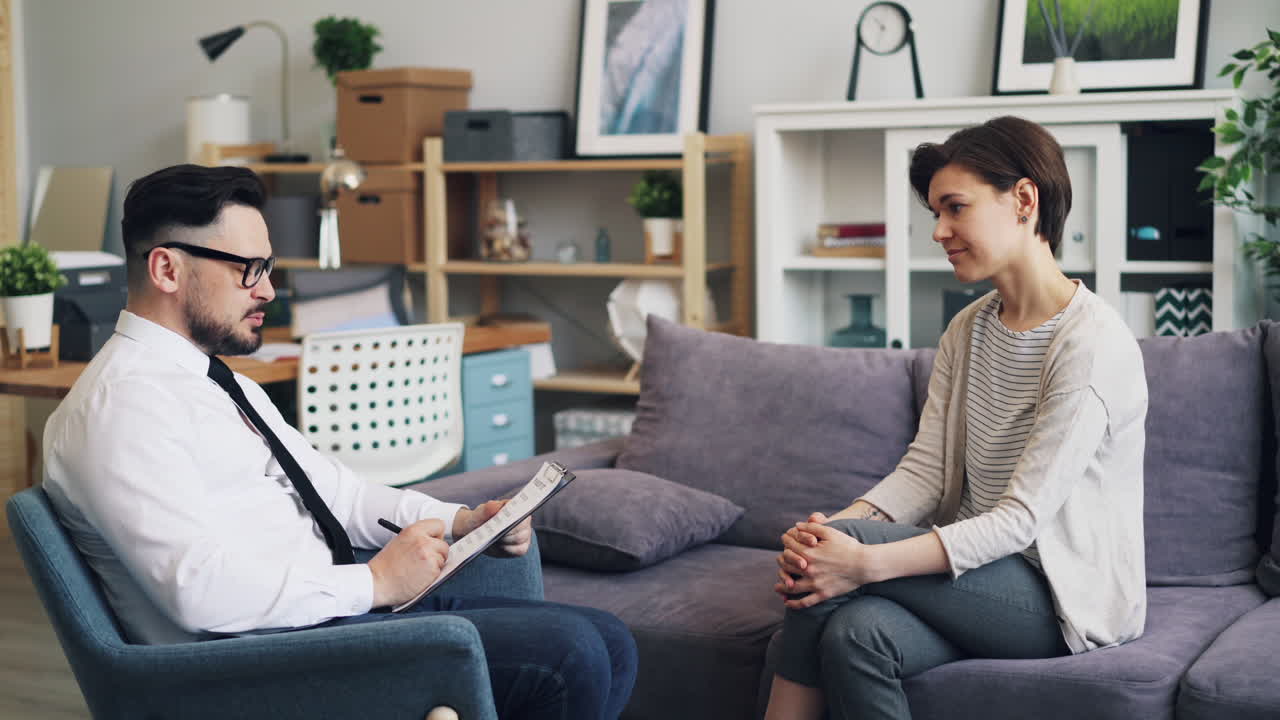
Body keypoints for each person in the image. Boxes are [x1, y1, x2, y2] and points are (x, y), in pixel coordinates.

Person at [42, 164, 637, 720]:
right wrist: (375, 583)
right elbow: (197, 592)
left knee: (611, 639)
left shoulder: (216, 379)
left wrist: (461, 521)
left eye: (268, 268)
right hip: (267, 659)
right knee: (572, 653)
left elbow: (339, 496)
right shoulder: (121, 406)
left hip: (330, 612)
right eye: (248, 269)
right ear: (167, 269)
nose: (268, 291)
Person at [763, 116, 1149, 720]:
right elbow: (923, 472)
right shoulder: (968, 330)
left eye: (955, 208)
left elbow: (1021, 520)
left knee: (837, 561)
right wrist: (829, 530)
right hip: (972, 580)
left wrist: (859, 556)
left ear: (1024, 200)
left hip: (1060, 596)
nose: (939, 231)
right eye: (935, 214)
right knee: (856, 634)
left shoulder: (1092, 344)